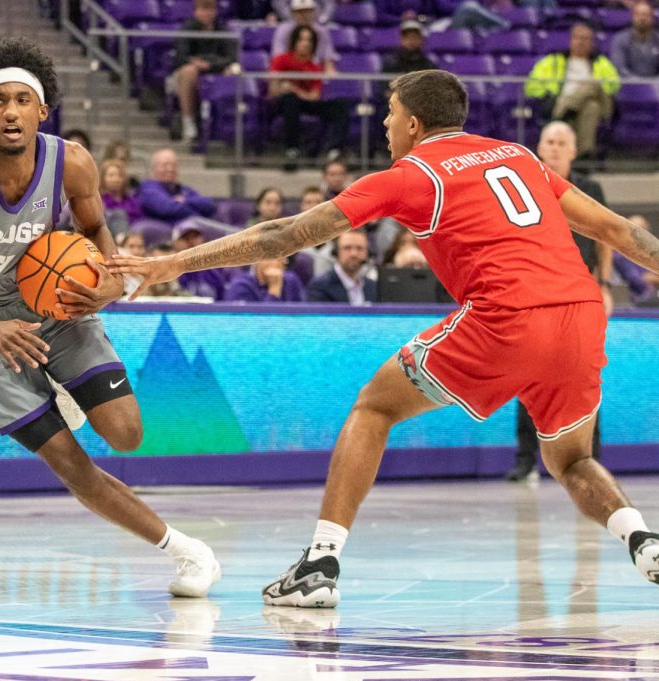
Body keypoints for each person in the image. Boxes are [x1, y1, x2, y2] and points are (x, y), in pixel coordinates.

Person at [112, 68, 659, 606]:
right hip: (582, 313)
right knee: (570, 461)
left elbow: (283, 235)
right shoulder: (518, 155)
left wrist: (171, 265)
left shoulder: (414, 174)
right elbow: (619, 231)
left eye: (390, 116)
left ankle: (320, 563)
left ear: (415, 124)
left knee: (374, 409)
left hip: (507, 314)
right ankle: (642, 539)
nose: (385, 127)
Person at [0, 37, 221, 597]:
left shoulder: (71, 161)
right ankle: (186, 551)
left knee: (126, 435)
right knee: (70, 462)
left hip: (54, 303)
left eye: (23, 100)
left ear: (42, 110)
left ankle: (66, 386)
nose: (12, 111)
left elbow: (95, 231)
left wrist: (107, 281)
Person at [506, 120, 610, 482]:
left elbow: (604, 236)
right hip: (534, 294)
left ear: (573, 150)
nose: (552, 147)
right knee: (527, 374)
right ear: (539, 145)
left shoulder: (590, 187)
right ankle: (525, 459)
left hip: (580, 295)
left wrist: (605, 284)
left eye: (560, 142)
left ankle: (590, 458)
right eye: (547, 141)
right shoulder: (525, 184)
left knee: (585, 375)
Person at [525, 22, 620, 159]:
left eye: (586, 38)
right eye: (578, 38)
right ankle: (582, 157)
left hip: (600, 104)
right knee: (591, 107)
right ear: (571, 40)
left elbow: (614, 86)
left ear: (592, 42)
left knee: (592, 84)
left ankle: (565, 114)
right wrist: (549, 94)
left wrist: (585, 89)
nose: (581, 42)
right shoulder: (553, 61)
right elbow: (531, 86)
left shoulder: (602, 62)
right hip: (563, 103)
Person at [269, 24, 349, 168]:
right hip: (281, 104)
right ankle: (292, 150)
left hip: (303, 101)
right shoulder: (281, 60)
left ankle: (334, 150)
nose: (305, 43)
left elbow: (314, 96)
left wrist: (293, 88)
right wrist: (290, 92)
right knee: (290, 101)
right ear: (294, 42)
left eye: (309, 40)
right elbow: (273, 91)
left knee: (339, 106)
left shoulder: (314, 67)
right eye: (301, 40)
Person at [170, 0, 236, 142]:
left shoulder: (222, 29)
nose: (207, 13)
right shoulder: (187, 29)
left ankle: (230, 123)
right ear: (195, 11)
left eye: (210, 9)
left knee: (234, 69)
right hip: (183, 75)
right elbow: (181, 57)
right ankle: (188, 122)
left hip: (214, 70)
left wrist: (209, 64)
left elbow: (232, 58)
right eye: (203, 9)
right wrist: (199, 64)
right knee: (189, 71)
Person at [138, 148, 216, 222]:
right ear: (154, 169)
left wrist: (185, 200)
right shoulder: (148, 188)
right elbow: (166, 208)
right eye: (165, 165)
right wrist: (198, 214)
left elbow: (209, 204)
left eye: (174, 165)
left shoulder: (183, 189)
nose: (170, 169)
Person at [304, 228, 376, 304]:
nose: (354, 254)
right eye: (347, 248)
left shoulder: (373, 287)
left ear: (368, 253)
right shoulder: (319, 287)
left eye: (359, 248)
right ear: (336, 252)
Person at [271, 0, 337, 68]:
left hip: (314, 71)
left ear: (313, 12)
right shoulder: (283, 30)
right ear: (293, 13)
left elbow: (328, 60)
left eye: (307, 11)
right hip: (289, 71)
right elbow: (278, 58)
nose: (304, 15)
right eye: (300, 11)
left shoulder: (322, 31)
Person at [172, 218, 230, 299]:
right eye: (186, 238)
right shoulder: (170, 269)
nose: (191, 242)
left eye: (195, 237)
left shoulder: (216, 268)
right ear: (175, 243)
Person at [610, 0, 659, 77]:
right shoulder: (620, 39)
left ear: (652, 18)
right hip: (629, 86)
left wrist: (653, 83)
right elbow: (619, 68)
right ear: (632, 17)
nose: (642, 18)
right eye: (638, 14)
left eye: (646, 15)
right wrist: (639, 84)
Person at [224, 256, 306, 302]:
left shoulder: (291, 280)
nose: (282, 263)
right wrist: (274, 289)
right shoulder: (240, 285)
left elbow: (301, 316)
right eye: (276, 257)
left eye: (284, 258)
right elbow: (260, 324)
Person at [100, 157, 140, 235]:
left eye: (119, 175)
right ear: (103, 178)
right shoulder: (99, 201)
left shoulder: (133, 202)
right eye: (111, 175)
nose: (116, 179)